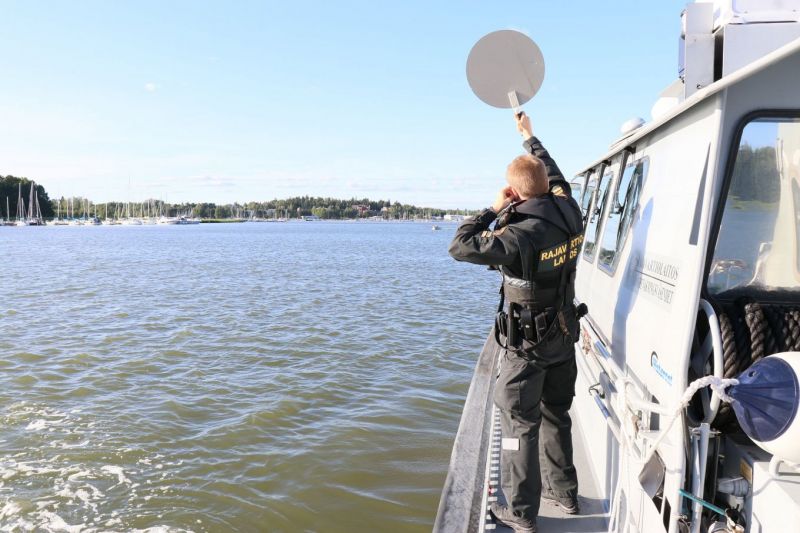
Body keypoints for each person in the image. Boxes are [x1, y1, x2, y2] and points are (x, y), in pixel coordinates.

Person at [448, 112, 584, 533]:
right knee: (557, 414)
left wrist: (494, 207)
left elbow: (460, 245)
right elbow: (555, 173)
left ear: (516, 195)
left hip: (526, 347)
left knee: (519, 426)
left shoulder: (518, 234)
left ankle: (521, 513)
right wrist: (531, 138)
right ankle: (564, 493)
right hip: (563, 334)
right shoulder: (570, 210)